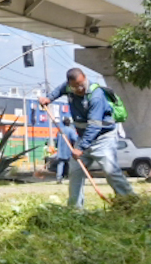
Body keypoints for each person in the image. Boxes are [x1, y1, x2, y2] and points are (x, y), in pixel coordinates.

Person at [46, 67, 133, 208]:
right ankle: (74, 209)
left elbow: (94, 126)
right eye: (75, 86)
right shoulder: (68, 87)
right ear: (70, 84)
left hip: (103, 137)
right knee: (74, 172)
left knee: (111, 171)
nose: (79, 88)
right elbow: (59, 89)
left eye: (81, 84)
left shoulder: (96, 95)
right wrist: (48, 98)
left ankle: (130, 202)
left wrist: (80, 148)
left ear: (85, 77)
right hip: (83, 137)